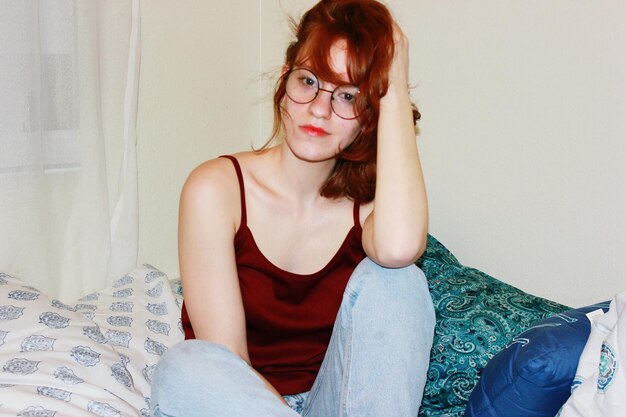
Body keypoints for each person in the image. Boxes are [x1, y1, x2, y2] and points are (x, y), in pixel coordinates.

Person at [150, 0, 435, 416]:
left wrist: (395, 91)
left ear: (369, 115)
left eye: (348, 95)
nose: (319, 109)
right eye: (308, 82)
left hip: (338, 405)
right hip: (239, 405)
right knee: (185, 367)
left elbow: (398, 249)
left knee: (400, 282)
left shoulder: (373, 208)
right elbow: (229, 364)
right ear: (284, 83)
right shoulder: (216, 188)